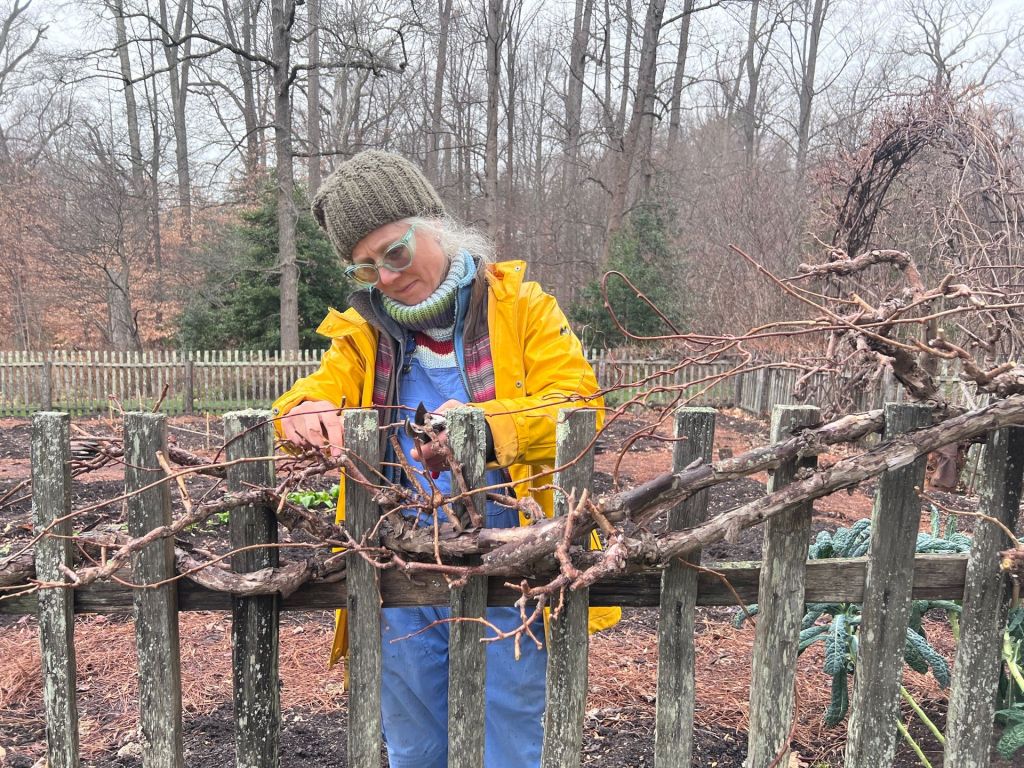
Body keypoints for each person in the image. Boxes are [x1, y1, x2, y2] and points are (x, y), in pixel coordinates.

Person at [271, 150, 619, 768]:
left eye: (395, 252)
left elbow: (577, 402)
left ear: (435, 225)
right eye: (366, 266)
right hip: (400, 564)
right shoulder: (365, 336)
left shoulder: (523, 310)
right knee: (416, 736)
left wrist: (482, 428)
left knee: (511, 727)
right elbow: (313, 393)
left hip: (512, 561)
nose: (386, 276)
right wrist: (303, 410)